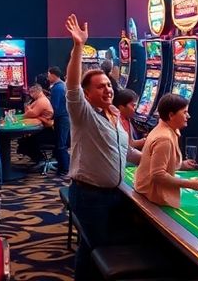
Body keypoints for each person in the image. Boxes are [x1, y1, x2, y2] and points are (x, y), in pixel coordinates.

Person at [64, 14, 142, 280]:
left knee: (91, 248)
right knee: (100, 248)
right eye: (100, 87)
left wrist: (166, 163)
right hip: (90, 195)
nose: (108, 90)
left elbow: (127, 153)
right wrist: (77, 47)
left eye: (108, 85)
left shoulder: (113, 115)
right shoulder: (83, 114)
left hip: (114, 193)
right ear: (87, 94)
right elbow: (72, 87)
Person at [134, 94, 198, 208]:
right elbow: (158, 175)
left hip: (143, 186)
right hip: (152, 193)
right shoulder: (164, 138)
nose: (188, 116)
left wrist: (181, 164)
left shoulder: (165, 129)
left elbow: (161, 162)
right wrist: (189, 184)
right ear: (171, 115)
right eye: (184, 112)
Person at [18, 84, 56, 164]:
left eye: (31, 93)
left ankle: (40, 160)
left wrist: (28, 111)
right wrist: (28, 110)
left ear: (36, 92)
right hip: (42, 129)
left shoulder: (42, 101)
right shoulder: (40, 100)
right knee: (24, 140)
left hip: (47, 132)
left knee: (25, 142)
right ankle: (38, 159)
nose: (31, 95)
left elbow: (30, 114)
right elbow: (28, 111)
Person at [47, 66, 70, 176]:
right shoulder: (62, 85)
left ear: (53, 75)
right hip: (65, 117)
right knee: (62, 143)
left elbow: (54, 107)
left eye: (48, 74)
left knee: (61, 144)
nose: (47, 77)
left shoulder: (57, 88)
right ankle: (64, 166)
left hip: (61, 118)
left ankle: (64, 169)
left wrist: (48, 118)